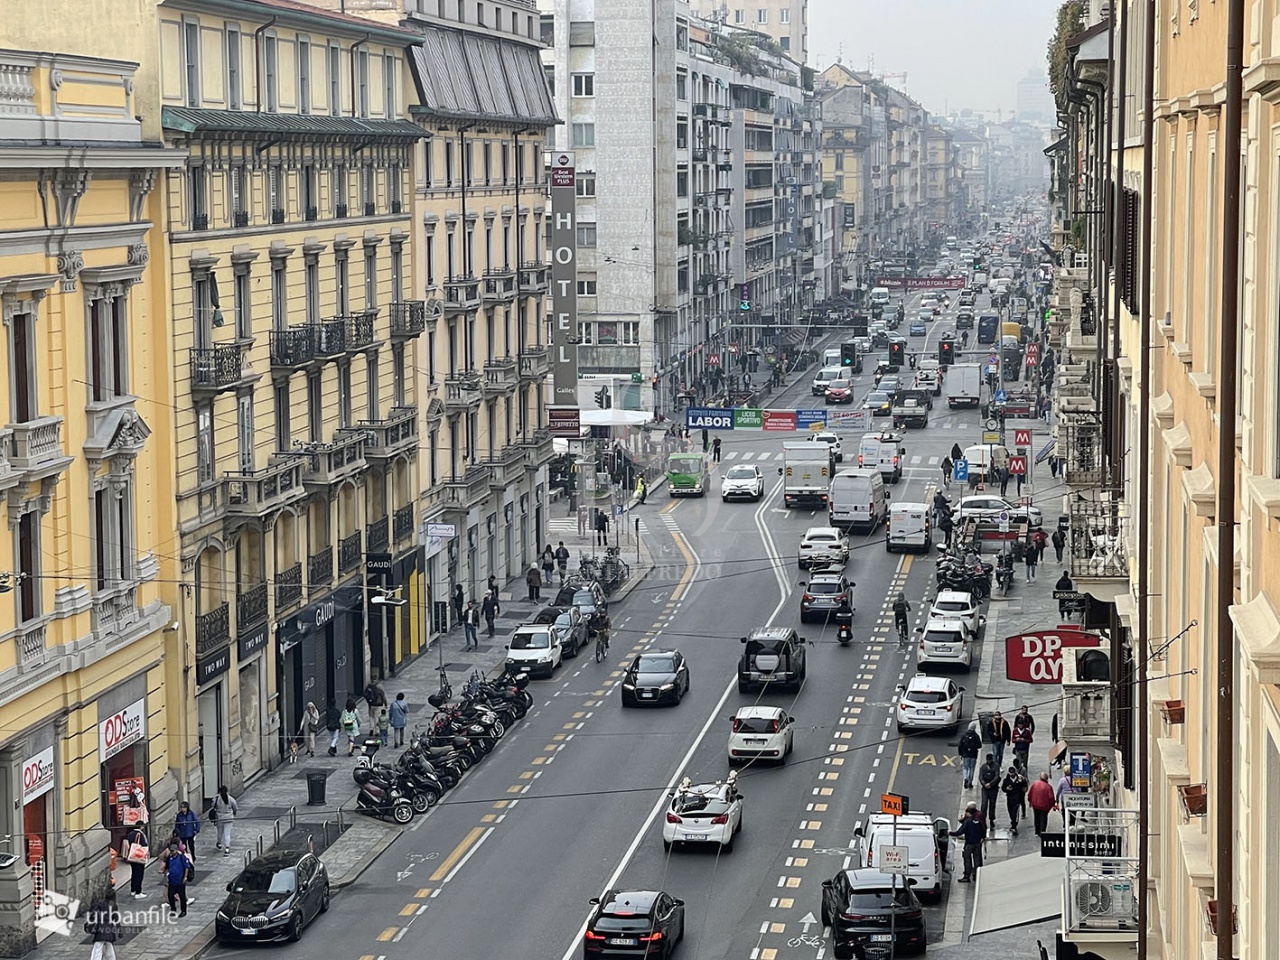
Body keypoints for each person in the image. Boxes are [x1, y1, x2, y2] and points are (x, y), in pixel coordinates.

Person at [950, 802, 986, 882]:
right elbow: (983, 830)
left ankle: (967, 876)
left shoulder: (967, 822)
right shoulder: (978, 822)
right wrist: (983, 838)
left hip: (969, 844)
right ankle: (977, 875)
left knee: (967, 859)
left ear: (969, 813)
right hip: (977, 843)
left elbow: (959, 832)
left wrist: (950, 833)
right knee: (977, 859)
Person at [84, 883, 120, 960]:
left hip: (100, 928)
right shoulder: (114, 906)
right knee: (109, 945)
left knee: (98, 947)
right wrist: (119, 931)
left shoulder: (100, 904)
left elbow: (93, 913)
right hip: (109, 928)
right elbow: (116, 919)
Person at [163, 840, 192, 916]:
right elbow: (167, 867)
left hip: (180, 880)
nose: (172, 852)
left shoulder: (182, 858)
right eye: (171, 851)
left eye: (173, 851)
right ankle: (173, 909)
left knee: (182, 896)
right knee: (170, 895)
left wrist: (185, 877)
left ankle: (183, 911)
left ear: (176, 850)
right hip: (172, 881)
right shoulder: (170, 858)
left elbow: (186, 867)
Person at [121, 824, 149, 898]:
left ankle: (133, 890)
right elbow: (144, 845)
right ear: (141, 826)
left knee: (133, 873)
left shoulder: (130, 834)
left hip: (132, 856)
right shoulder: (140, 834)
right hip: (138, 857)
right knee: (139, 874)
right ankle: (138, 892)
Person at [209, 786, 238, 856]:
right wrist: (233, 813)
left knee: (220, 832)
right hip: (229, 817)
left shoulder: (216, 799)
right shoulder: (231, 799)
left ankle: (219, 843)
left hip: (220, 817)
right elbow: (235, 807)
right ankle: (227, 848)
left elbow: (213, 806)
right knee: (227, 833)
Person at [1002, 760, 1029, 835]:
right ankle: (1012, 822)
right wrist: (1007, 789)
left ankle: (1014, 826)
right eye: (1011, 773)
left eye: (1013, 773)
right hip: (1010, 798)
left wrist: (1024, 788)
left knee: (1015, 812)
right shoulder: (1006, 780)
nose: (1012, 774)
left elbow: (1025, 785)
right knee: (1010, 812)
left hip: (1017, 798)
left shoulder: (1020, 779)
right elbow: (1003, 788)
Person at [1028, 772, 1056, 836]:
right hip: (1044, 806)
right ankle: (1042, 832)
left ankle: (1037, 831)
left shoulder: (1034, 784)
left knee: (1036, 817)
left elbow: (1030, 794)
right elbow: (1051, 797)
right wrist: (1052, 805)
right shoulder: (1048, 787)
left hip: (1035, 804)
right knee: (1043, 818)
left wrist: (1030, 801)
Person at [957, 721, 982, 789]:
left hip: (965, 754)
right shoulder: (976, 736)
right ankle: (970, 782)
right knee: (972, 768)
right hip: (973, 755)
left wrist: (960, 754)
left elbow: (960, 745)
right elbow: (980, 745)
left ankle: (965, 778)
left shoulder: (964, 735)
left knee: (965, 767)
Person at [978, 754, 1001, 825]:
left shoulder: (996, 766)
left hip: (993, 788)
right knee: (984, 804)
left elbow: (997, 776)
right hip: (985, 788)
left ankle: (991, 819)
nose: (989, 761)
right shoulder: (983, 767)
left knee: (992, 804)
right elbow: (980, 776)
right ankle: (982, 819)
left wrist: (990, 784)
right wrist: (984, 783)